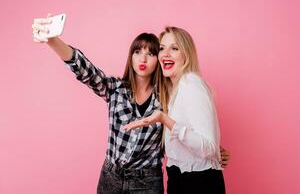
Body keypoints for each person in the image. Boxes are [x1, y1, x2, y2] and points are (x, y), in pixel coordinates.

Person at [32, 15, 229, 194]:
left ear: (157, 61)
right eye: (137, 51)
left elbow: (189, 128)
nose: (143, 58)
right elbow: (86, 71)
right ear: (131, 57)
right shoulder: (115, 89)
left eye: (151, 53)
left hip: (147, 181)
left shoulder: (168, 96)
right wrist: (53, 40)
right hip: (111, 178)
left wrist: (212, 153)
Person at [124, 26, 226, 193]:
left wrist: (166, 120)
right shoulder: (172, 91)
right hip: (179, 178)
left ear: (186, 54)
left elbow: (208, 147)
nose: (165, 54)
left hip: (197, 183)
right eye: (162, 48)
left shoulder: (190, 83)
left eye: (174, 48)